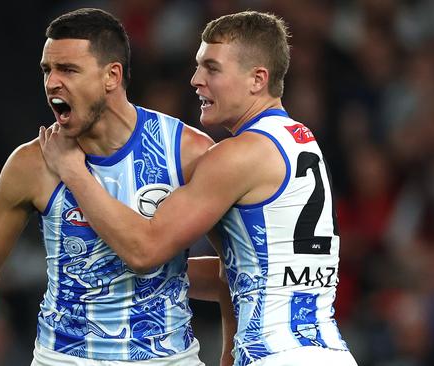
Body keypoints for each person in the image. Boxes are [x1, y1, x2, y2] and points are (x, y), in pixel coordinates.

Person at [40, 10, 359, 366]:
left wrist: (73, 172)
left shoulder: (236, 156)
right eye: (197, 66)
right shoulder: (300, 142)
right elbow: (250, 271)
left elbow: (145, 251)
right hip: (328, 351)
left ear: (257, 79)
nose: (195, 80)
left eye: (212, 68)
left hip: (276, 355)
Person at [0, 8, 235, 366]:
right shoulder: (32, 164)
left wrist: (229, 357)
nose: (52, 82)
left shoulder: (187, 153)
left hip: (168, 359)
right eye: (47, 70)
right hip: (63, 359)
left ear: (111, 76)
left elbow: (234, 269)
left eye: (68, 70)